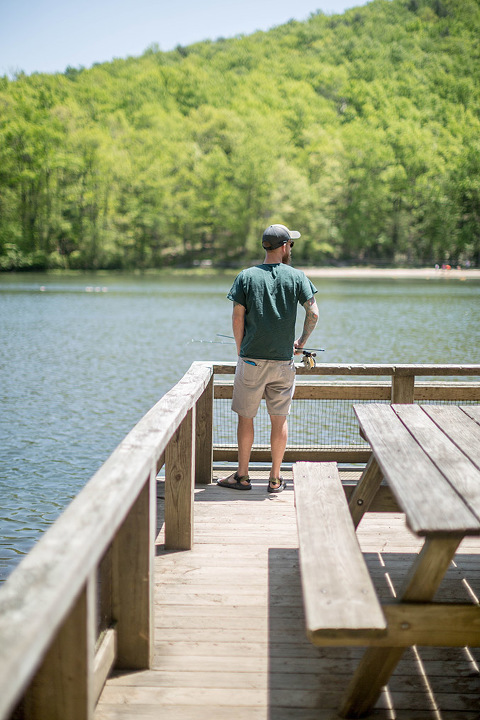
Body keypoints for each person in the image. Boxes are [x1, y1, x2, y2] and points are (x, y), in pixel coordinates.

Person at [217, 223, 319, 494]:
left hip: (250, 361)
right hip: (284, 362)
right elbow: (314, 313)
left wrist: (241, 351)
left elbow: (237, 317)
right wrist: (301, 342)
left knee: (246, 418)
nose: (291, 249)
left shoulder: (246, 276)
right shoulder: (297, 277)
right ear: (285, 247)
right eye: (291, 245)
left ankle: (242, 476)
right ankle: (274, 479)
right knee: (279, 418)